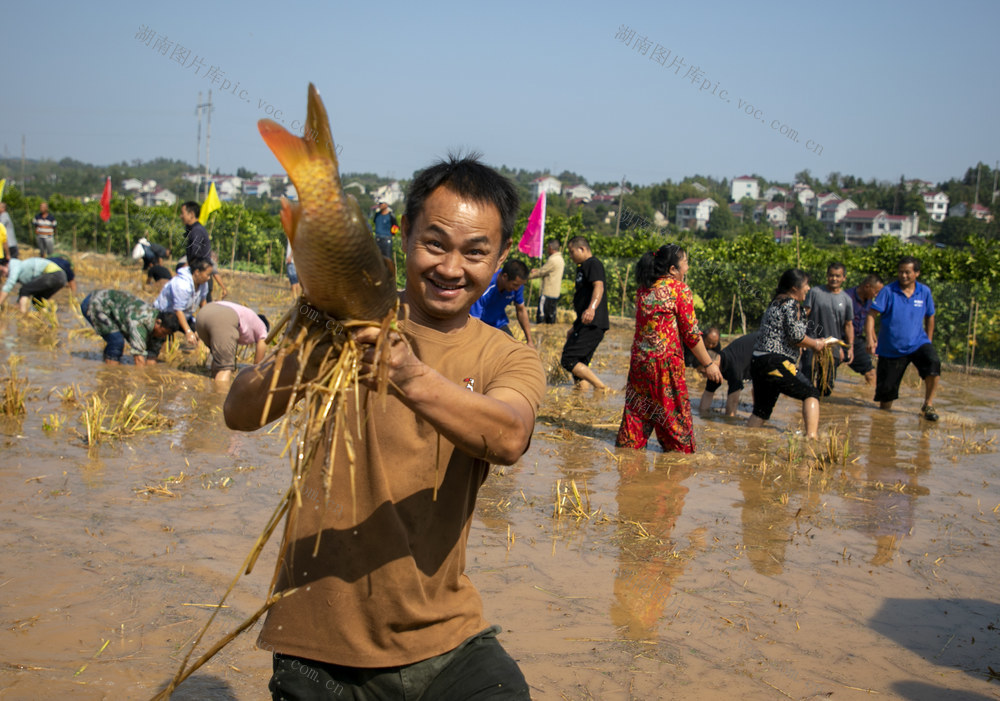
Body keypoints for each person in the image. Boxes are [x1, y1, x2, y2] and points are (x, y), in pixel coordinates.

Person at [224, 155, 543, 700]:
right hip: (319, 644)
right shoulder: (348, 321)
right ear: (404, 236)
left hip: (445, 638)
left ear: (500, 258)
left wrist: (407, 373)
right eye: (435, 243)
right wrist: (314, 348)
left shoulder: (508, 358)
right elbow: (240, 411)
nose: (450, 267)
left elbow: (510, 435)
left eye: (474, 252)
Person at [616, 244, 722, 452]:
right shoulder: (679, 290)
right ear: (673, 269)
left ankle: (628, 469)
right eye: (686, 263)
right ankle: (672, 475)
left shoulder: (644, 290)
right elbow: (691, 335)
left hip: (640, 364)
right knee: (674, 420)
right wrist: (709, 364)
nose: (688, 268)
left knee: (636, 417)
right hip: (665, 367)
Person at [747, 269, 835, 439]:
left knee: (761, 412)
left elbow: (787, 335)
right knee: (811, 393)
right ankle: (812, 439)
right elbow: (796, 337)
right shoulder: (792, 304)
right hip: (776, 362)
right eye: (806, 285)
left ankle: (748, 441)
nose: (808, 288)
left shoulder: (775, 303)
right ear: (795, 288)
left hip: (758, 361)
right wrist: (817, 343)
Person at [865, 256, 941, 421]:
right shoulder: (888, 291)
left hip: (918, 343)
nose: (903, 276)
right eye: (901, 272)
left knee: (933, 363)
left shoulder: (924, 292)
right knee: (885, 398)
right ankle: (883, 424)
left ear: (917, 273)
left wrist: (928, 340)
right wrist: (870, 339)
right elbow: (871, 315)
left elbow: (930, 316)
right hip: (891, 348)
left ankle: (928, 404)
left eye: (907, 272)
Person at [560, 236, 610, 390]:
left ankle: (601, 388)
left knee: (568, 359)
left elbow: (599, 287)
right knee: (579, 366)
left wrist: (592, 308)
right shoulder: (582, 267)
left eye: (571, 251)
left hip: (593, 322)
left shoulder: (593, 264)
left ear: (581, 249)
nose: (570, 255)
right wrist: (575, 327)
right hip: (585, 322)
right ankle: (581, 401)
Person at [80, 288, 180, 365]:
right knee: (116, 342)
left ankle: (107, 362)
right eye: (163, 333)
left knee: (114, 340)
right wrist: (140, 381)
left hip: (113, 310)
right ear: (158, 322)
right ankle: (110, 374)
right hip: (95, 303)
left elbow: (152, 357)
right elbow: (138, 357)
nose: (163, 337)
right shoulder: (140, 322)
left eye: (166, 335)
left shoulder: (161, 329)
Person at [801, 262, 854, 396]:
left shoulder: (846, 300)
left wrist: (850, 347)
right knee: (805, 382)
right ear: (827, 276)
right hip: (811, 343)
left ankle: (821, 412)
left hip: (832, 347)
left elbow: (848, 325)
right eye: (831, 275)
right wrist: (799, 338)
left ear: (844, 278)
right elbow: (803, 314)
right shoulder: (815, 292)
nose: (834, 279)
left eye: (838, 276)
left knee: (826, 386)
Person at [196, 301, 269, 386]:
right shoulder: (262, 327)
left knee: (219, 361)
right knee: (225, 368)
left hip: (202, 315)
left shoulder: (248, 315)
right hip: (222, 318)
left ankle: (213, 385)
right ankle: (219, 396)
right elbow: (258, 365)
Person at [469, 259, 535, 347]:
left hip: (499, 324)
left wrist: (529, 341)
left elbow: (521, 310)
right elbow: (474, 321)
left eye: (519, 286)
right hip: (482, 326)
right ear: (504, 276)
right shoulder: (485, 286)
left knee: (513, 351)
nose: (516, 289)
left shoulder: (518, 287)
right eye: (515, 285)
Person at [698, 331, 759, 416]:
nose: (703, 376)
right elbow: (708, 394)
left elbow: (733, 403)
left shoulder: (734, 368)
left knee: (761, 387)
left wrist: (729, 425)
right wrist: (702, 416)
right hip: (749, 351)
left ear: (713, 364)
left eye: (703, 372)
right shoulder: (714, 370)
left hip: (765, 346)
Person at [153, 256, 212, 344]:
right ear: (197, 272)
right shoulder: (182, 285)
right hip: (166, 313)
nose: (209, 278)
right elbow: (178, 310)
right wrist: (188, 331)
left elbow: (203, 302)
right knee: (165, 339)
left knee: (201, 332)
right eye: (207, 274)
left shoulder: (203, 284)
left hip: (185, 314)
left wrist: (207, 323)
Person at [180, 201, 228, 301]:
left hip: (201, 275)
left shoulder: (196, 231)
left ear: (191, 214)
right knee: (203, 304)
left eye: (182, 213)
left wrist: (182, 271)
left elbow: (195, 254)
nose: (181, 216)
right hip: (202, 274)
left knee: (204, 305)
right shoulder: (196, 229)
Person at [845, 274, 884, 386]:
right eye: (876, 292)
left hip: (856, 340)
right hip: (839, 339)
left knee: (871, 373)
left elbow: (868, 322)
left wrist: (874, 341)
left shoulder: (869, 301)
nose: (876, 295)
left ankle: (869, 401)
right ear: (867, 287)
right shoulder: (847, 297)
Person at [0, 256, 68, 313]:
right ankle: (45, 317)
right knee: (37, 300)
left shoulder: (14, 265)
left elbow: (9, 285)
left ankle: (23, 315)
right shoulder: (22, 271)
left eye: (2, 271)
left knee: (25, 290)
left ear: (6, 264)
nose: (3, 275)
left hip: (55, 274)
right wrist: (18, 303)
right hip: (61, 278)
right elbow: (29, 289)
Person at [528, 239, 565, 324]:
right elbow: (549, 271)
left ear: (551, 248)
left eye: (548, 247)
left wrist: (526, 277)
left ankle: (540, 335)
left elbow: (542, 272)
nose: (547, 249)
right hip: (555, 293)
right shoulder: (560, 259)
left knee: (541, 316)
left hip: (547, 292)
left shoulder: (553, 260)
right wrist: (538, 270)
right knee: (551, 315)